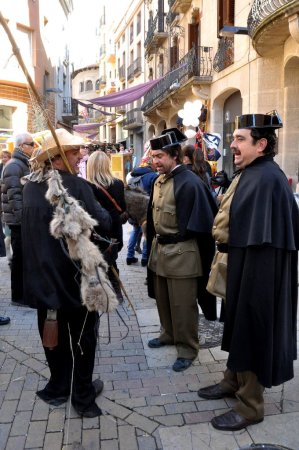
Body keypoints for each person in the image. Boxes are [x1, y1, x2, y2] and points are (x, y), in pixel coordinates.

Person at [198, 111, 299, 431]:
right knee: (237, 327)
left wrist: (253, 279)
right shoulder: (250, 172)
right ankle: (233, 381)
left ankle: (251, 405)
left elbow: (268, 241)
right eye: (233, 139)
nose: (232, 145)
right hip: (241, 266)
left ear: (262, 144)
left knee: (252, 331)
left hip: (259, 273)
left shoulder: (267, 178)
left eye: (240, 139)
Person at [21, 129, 112, 418]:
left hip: (43, 283)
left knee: (53, 338)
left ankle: (59, 386)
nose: (80, 155)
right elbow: (104, 224)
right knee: (83, 341)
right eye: (74, 152)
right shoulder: (77, 186)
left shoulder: (29, 188)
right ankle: (82, 397)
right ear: (57, 161)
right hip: (76, 282)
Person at [147, 128, 218, 372]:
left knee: (183, 305)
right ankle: (168, 334)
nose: (155, 161)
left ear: (174, 155)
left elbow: (203, 226)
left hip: (183, 255)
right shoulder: (159, 181)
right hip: (160, 253)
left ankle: (187, 348)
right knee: (164, 301)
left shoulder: (190, 183)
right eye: (153, 156)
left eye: (160, 156)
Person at [86, 150, 126, 302]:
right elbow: (122, 208)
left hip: (95, 229)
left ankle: (99, 291)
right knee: (111, 260)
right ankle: (116, 290)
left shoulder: (87, 186)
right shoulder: (118, 184)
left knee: (95, 261)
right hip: (114, 228)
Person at [1, 133, 35, 306]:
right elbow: (15, 196)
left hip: (20, 220)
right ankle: (18, 296)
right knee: (19, 259)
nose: (34, 146)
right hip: (18, 221)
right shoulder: (14, 166)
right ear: (22, 146)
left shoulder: (21, 163)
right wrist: (24, 220)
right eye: (31, 144)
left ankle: (23, 294)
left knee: (23, 258)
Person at [126, 151, 158, 267]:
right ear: (151, 165)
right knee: (146, 234)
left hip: (134, 210)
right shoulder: (153, 176)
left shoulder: (132, 176)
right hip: (146, 210)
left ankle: (129, 256)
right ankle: (145, 258)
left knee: (135, 231)